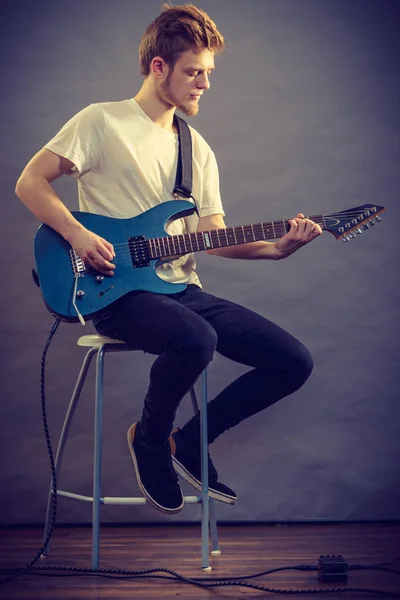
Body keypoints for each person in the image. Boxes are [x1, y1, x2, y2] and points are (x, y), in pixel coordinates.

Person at [16, 4, 322, 515]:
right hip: (114, 289)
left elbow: (211, 237)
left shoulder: (194, 148)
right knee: (195, 339)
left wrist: (275, 248)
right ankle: (150, 442)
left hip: (180, 289)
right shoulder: (102, 121)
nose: (204, 83)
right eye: (193, 72)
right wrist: (77, 234)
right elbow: (30, 181)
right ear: (159, 67)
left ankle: (191, 440)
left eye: (208, 73)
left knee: (293, 361)